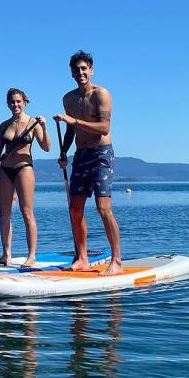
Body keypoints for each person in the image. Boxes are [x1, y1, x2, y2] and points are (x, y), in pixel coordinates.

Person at [54, 51, 122, 276]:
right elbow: (71, 130)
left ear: (91, 70)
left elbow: (104, 128)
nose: (81, 72)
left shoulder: (101, 94)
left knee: (103, 208)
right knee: (74, 209)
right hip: (80, 155)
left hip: (101, 154)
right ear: (71, 73)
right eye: (76, 69)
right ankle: (82, 258)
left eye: (84, 68)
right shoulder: (69, 99)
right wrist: (64, 151)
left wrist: (73, 120)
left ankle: (117, 260)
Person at [0, 88, 51, 267]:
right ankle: (5, 254)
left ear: (24, 102)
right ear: (8, 104)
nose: (15, 105)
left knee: (27, 212)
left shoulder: (33, 122)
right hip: (5, 170)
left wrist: (45, 127)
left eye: (18, 101)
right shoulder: (4, 125)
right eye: (12, 102)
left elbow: (46, 147)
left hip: (24, 169)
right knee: (4, 214)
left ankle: (31, 256)